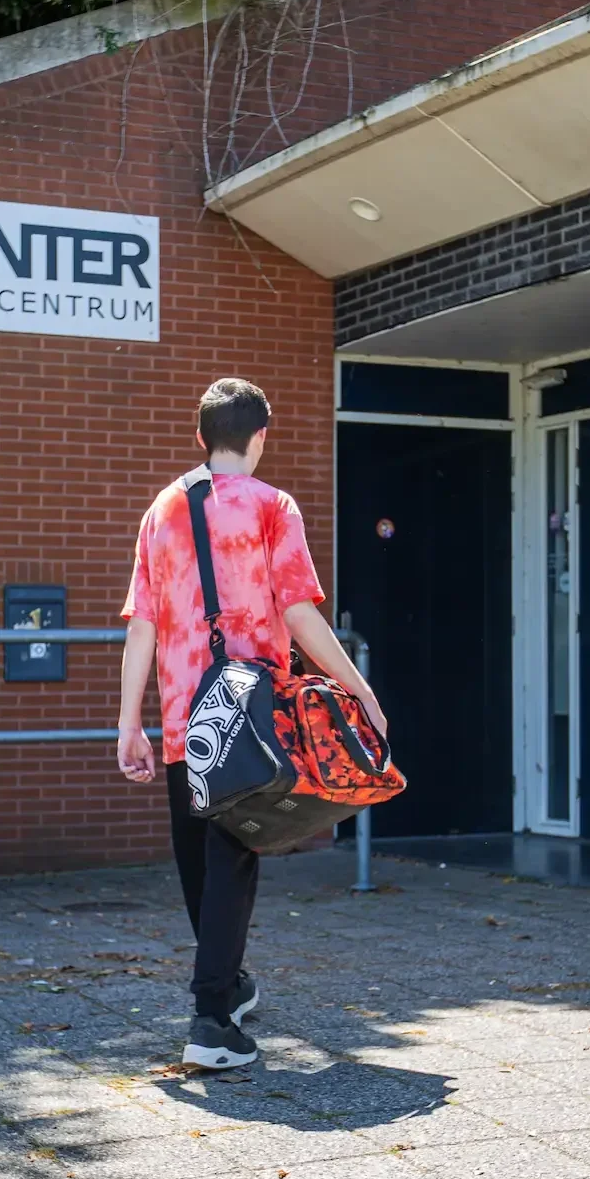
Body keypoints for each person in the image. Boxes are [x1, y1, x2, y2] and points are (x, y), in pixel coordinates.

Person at [117, 377, 388, 1069]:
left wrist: (128, 723)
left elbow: (142, 624)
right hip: (250, 717)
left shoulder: (162, 509)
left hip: (184, 718)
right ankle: (212, 1021)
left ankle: (229, 986)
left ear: (200, 436)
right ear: (261, 436)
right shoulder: (274, 506)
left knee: (198, 860)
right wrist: (358, 688)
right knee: (233, 858)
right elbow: (298, 613)